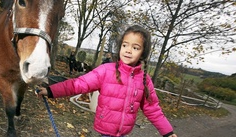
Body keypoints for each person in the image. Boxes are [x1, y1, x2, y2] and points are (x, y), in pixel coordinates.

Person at [36, 25, 177, 137]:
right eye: (125, 45)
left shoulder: (144, 80)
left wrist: (168, 132)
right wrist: (50, 90)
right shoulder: (105, 71)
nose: (128, 50)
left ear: (143, 53)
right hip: (105, 131)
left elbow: (152, 108)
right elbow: (78, 84)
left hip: (123, 133)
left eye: (135, 47)